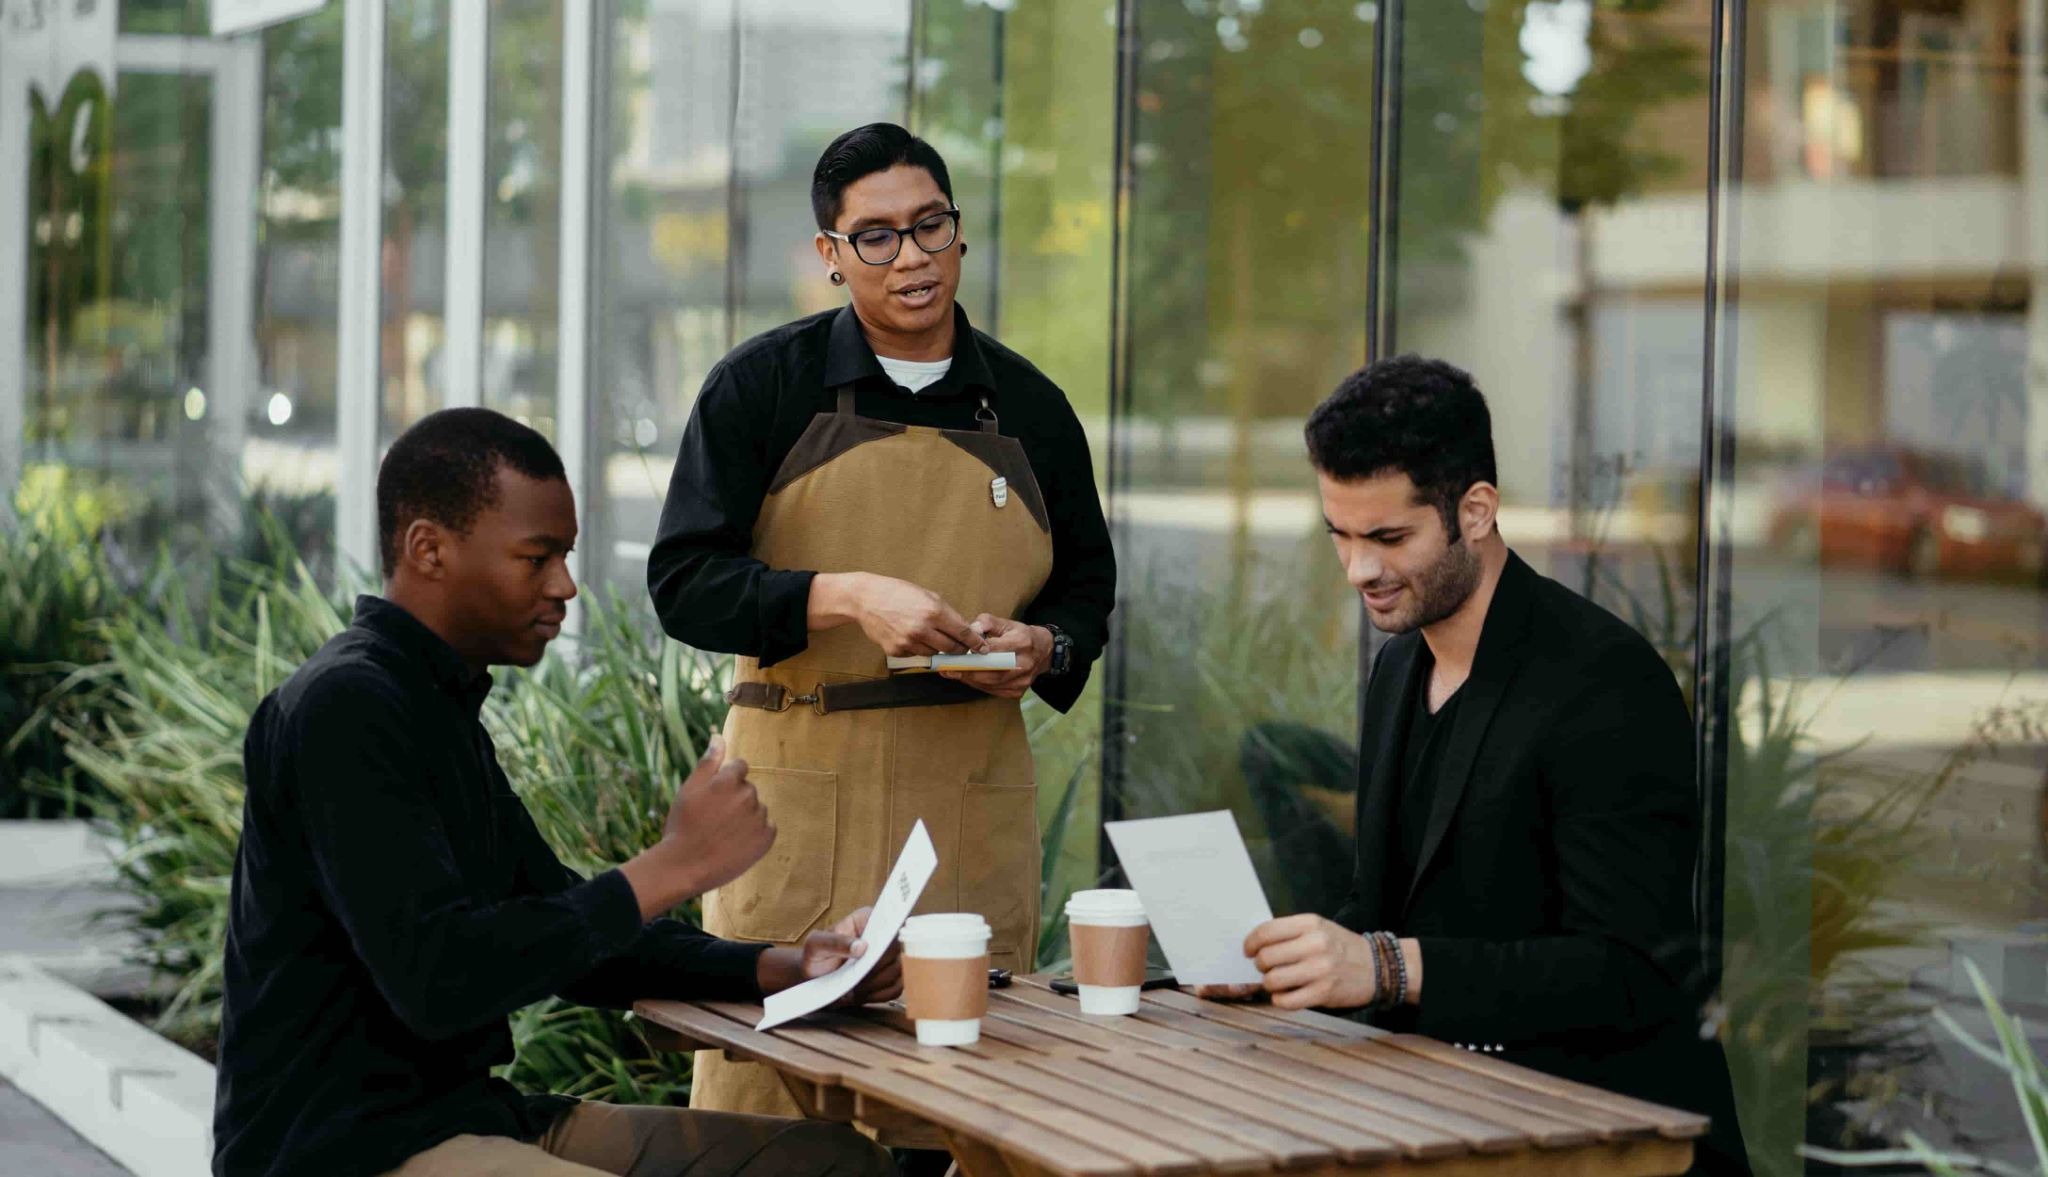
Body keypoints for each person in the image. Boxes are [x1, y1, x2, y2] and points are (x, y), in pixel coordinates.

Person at [212, 409, 901, 1177]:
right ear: (427, 550)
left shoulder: (436, 706)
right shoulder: (346, 708)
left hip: (470, 1119)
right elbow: (438, 980)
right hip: (347, 1152)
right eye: (536, 557)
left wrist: (783, 967)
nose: (565, 585)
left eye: (564, 556)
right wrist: (672, 865)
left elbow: (567, 932)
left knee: (834, 1164)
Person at [647, 122, 1115, 1117]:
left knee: (968, 1099)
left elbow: (1086, 591)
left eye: (928, 225)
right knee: (765, 1104)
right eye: (875, 236)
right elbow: (683, 581)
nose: (909, 256)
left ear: (958, 231)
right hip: (793, 800)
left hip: (966, 802)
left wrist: (1042, 645)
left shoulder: (1031, 408)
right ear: (829, 255)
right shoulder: (758, 389)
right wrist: (846, 593)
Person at [1206, 356, 1748, 1175]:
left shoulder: (1605, 681)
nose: (1360, 570)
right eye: (1341, 536)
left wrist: (1387, 966)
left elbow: (1633, 970)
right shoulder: (1399, 667)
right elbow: (1395, 899)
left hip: (1609, 1140)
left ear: (1477, 510)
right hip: (1444, 1111)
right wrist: (1284, 963)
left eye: (1390, 537)